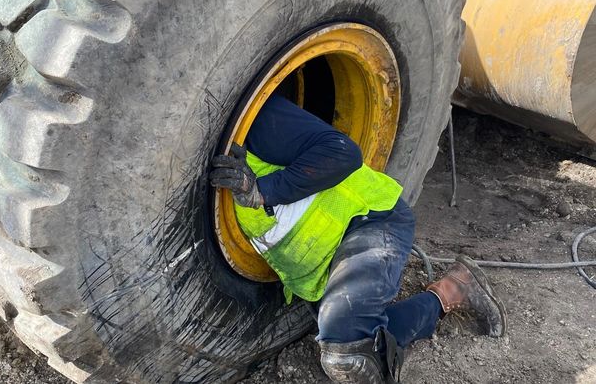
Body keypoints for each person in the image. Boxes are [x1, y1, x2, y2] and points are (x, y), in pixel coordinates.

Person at [210, 95, 506, 383]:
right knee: (359, 338)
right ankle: (452, 291)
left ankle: (447, 293)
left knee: (346, 355)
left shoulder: (256, 120)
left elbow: (342, 152)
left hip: (369, 221)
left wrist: (262, 191)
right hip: (322, 262)